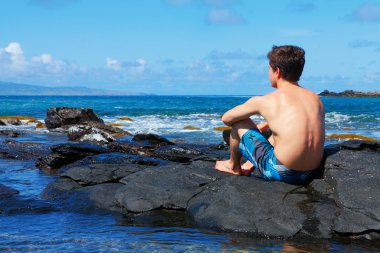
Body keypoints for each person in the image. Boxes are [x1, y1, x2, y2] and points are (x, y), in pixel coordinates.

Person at [215, 45, 325, 185]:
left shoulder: (266, 100)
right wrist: (266, 124)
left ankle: (233, 166)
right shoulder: (315, 99)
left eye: (269, 69)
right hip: (310, 173)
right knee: (278, 133)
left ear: (277, 71)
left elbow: (227, 118)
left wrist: (253, 126)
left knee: (239, 123)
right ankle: (249, 164)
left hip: (281, 173)